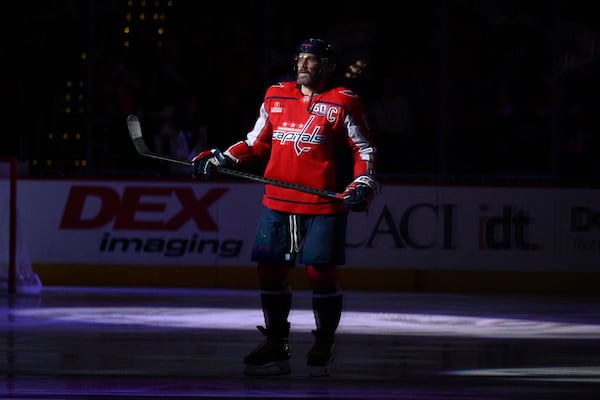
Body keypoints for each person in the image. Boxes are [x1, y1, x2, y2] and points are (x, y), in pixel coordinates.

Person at [191, 38, 379, 377]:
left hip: (323, 204)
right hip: (277, 201)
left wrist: (362, 182)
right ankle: (277, 342)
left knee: (319, 273)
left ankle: (324, 342)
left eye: (312, 60)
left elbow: (363, 150)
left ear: (327, 66)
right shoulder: (275, 95)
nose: (303, 65)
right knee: (270, 270)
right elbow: (256, 142)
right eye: (300, 59)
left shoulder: (345, 102)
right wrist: (220, 158)